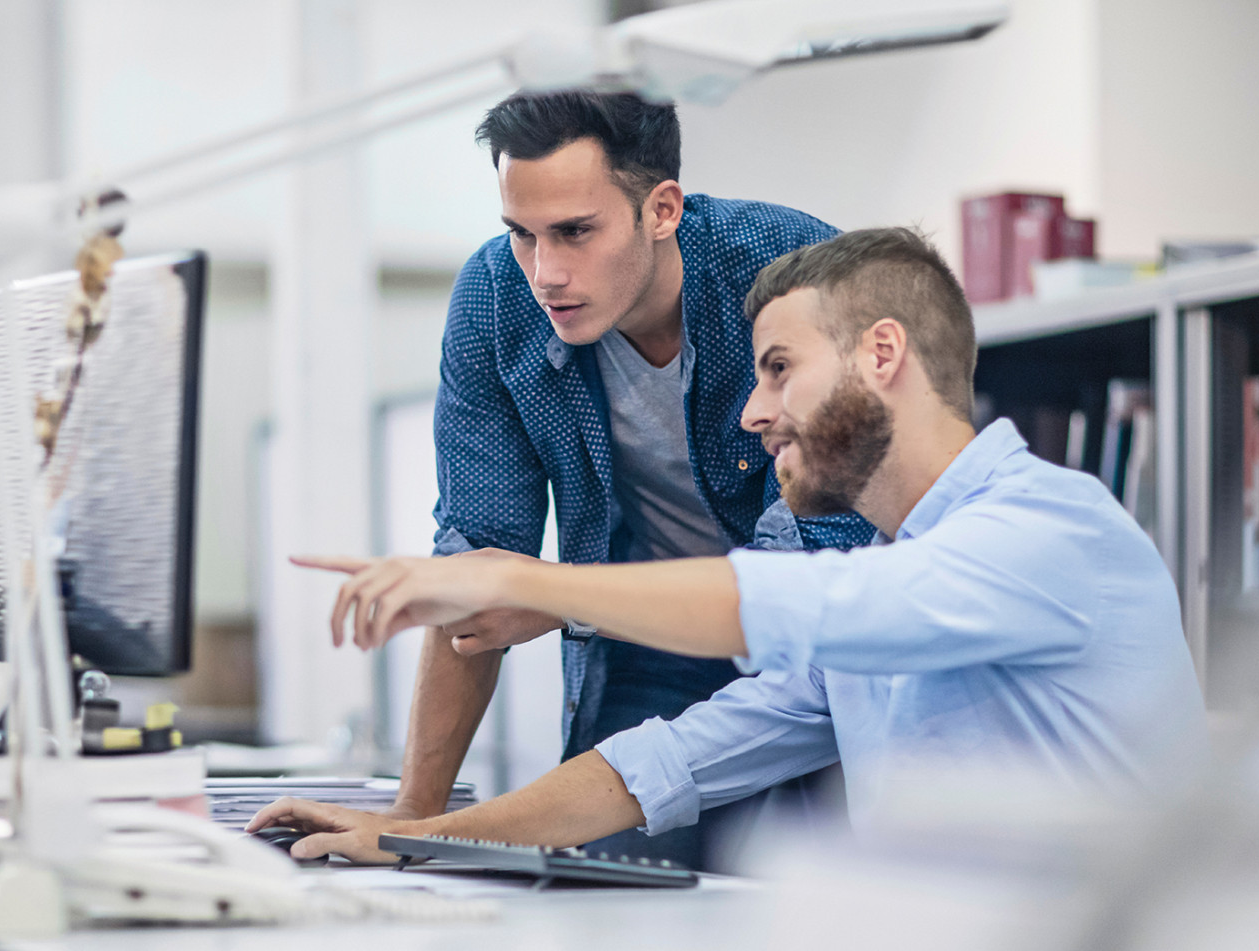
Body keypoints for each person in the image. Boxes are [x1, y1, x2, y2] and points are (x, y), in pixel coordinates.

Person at [253, 227, 1208, 863]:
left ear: (883, 355)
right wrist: (422, 837)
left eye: (779, 369)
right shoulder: (893, 577)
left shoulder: (1051, 530)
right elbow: (670, 761)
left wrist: (524, 578)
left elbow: (795, 603)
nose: (753, 411)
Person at [395, 89, 873, 869]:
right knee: (609, 882)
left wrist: (555, 597)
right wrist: (411, 822)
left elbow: (809, 586)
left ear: (662, 209)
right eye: (522, 234)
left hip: (816, 646)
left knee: (813, 887)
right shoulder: (494, 298)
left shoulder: (792, 276)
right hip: (638, 639)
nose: (545, 273)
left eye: (576, 232)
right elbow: (477, 568)